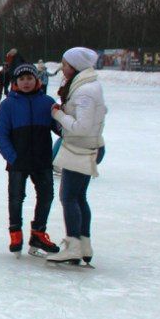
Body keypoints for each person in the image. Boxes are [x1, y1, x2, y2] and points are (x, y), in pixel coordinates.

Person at [47, 47, 107, 265]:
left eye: (65, 64)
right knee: (78, 197)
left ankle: (74, 245)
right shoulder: (85, 85)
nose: (62, 69)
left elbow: (81, 127)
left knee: (69, 197)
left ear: (76, 66)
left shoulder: (85, 91)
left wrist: (58, 114)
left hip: (81, 148)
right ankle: (83, 244)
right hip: (84, 147)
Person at [0, 63, 61, 255]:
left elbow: (58, 128)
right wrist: (12, 157)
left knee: (46, 195)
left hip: (42, 160)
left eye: (29, 79)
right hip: (18, 160)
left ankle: (38, 234)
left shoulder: (46, 102)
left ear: (36, 80)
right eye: (21, 79)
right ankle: (16, 232)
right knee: (16, 198)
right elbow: (1, 134)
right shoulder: (8, 105)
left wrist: (64, 117)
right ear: (15, 82)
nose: (26, 82)